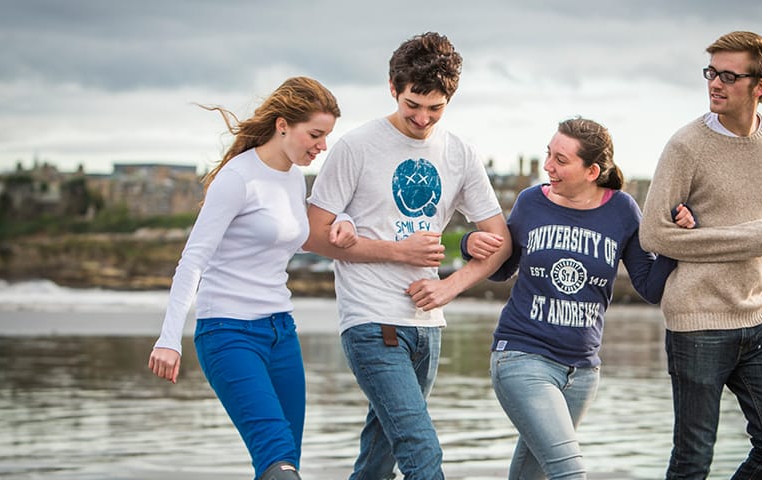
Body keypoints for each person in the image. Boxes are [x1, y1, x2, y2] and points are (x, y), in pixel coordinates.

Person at [303, 32, 511, 479]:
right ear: (393, 88)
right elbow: (313, 236)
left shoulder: (460, 153)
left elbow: (499, 240)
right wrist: (398, 251)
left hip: (427, 329)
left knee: (378, 462)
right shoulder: (355, 147)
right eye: (412, 104)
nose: (422, 118)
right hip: (370, 322)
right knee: (422, 452)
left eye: (435, 108)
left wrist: (449, 285)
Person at [462, 117, 695, 479]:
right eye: (548, 154)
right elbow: (500, 270)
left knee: (533, 473)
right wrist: (468, 244)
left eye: (561, 160)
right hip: (522, 357)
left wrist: (675, 239)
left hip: (582, 372)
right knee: (570, 473)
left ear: (593, 171)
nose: (548, 166)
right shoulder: (530, 203)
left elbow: (649, 288)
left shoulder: (623, 211)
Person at [147, 76, 353, 480]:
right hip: (228, 333)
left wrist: (343, 219)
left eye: (326, 136)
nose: (322, 146)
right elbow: (193, 261)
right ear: (282, 125)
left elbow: (302, 226)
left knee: (284, 462)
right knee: (278, 459)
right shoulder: (237, 178)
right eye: (315, 134)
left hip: (281, 333)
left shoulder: (293, 176)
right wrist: (169, 339)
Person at [639, 31, 762, 479]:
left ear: (760, 85)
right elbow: (654, 234)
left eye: (729, 75)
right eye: (711, 72)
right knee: (693, 460)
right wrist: (745, 239)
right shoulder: (685, 145)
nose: (715, 83)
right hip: (697, 319)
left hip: (760, 321)